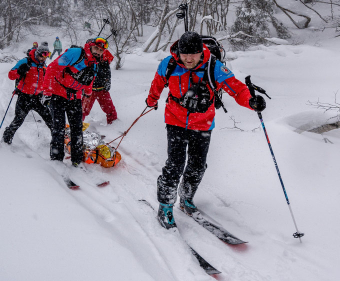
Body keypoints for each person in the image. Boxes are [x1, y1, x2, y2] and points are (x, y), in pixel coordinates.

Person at [145, 31, 266, 229]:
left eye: (194, 54)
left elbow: (236, 89)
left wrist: (251, 101)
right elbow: (157, 84)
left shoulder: (214, 66)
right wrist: (151, 100)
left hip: (203, 124)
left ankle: (186, 198)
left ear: (201, 51)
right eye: (185, 54)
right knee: (175, 165)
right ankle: (166, 206)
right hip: (175, 121)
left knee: (197, 165)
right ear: (179, 52)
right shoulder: (169, 64)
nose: (189, 58)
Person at [41, 37, 107, 167]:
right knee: (58, 129)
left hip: (75, 98)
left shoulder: (95, 63)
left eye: (101, 50)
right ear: (90, 46)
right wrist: (47, 93)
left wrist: (88, 93)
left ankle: (76, 160)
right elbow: (52, 69)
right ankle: (56, 159)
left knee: (77, 129)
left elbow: (89, 79)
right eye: (96, 49)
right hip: (58, 94)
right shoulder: (76, 53)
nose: (98, 52)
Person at [3, 44, 53, 144]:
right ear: (38, 53)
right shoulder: (25, 62)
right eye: (43, 56)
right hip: (24, 97)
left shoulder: (43, 65)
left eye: (46, 56)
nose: (44, 58)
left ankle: (57, 140)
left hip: (38, 98)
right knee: (18, 120)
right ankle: (7, 138)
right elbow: (11, 75)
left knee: (50, 120)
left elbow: (46, 80)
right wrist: (19, 71)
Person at [82, 49, 117, 124]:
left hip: (102, 90)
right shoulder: (88, 60)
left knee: (110, 109)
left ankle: (114, 126)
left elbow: (107, 73)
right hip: (89, 90)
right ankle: (76, 125)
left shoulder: (104, 61)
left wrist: (108, 82)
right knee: (82, 110)